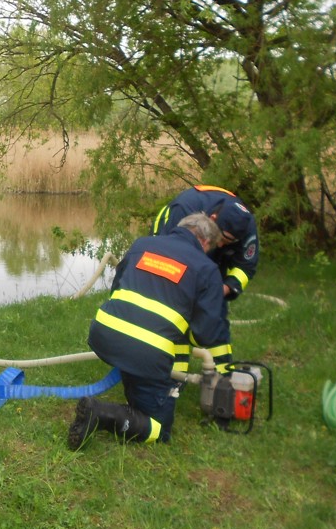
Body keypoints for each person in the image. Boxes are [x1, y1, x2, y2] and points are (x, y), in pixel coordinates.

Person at [69, 212, 233, 449]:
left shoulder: (142, 245)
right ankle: (100, 414)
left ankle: (140, 389)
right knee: (160, 429)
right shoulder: (206, 268)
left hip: (104, 334)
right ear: (205, 242)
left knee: (147, 368)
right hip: (145, 352)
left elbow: (117, 288)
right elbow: (205, 335)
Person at [153, 184, 258, 301]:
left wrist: (222, 290)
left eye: (229, 242)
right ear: (212, 219)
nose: (220, 245)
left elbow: (245, 267)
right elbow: (168, 257)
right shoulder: (184, 209)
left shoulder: (247, 227)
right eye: (221, 238)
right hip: (170, 229)